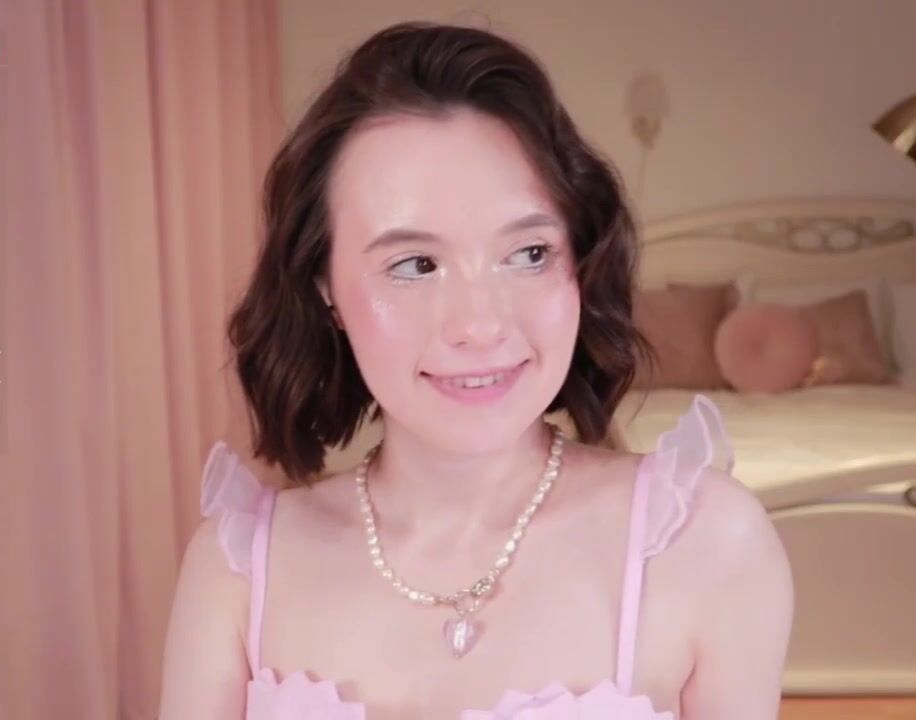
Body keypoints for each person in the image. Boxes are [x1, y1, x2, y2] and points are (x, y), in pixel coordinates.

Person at [159, 20, 792, 720]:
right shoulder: (237, 573)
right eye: (415, 265)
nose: (481, 324)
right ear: (324, 288)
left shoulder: (703, 543)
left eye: (528, 254)